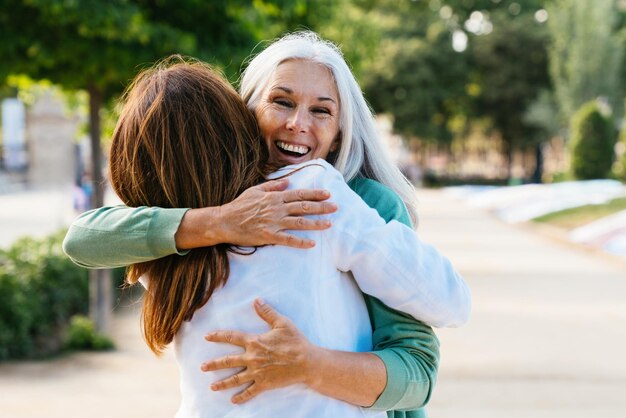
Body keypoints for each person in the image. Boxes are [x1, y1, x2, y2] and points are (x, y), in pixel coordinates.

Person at [63, 32, 470, 417]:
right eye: (282, 102)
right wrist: (222, 222)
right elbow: (83, 239)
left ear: (341, 126)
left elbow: (416, 371)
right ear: (247, 108)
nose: (298, 124)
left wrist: (310, 365)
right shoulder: (200, 209)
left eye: (321, 110)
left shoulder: (348, 201)